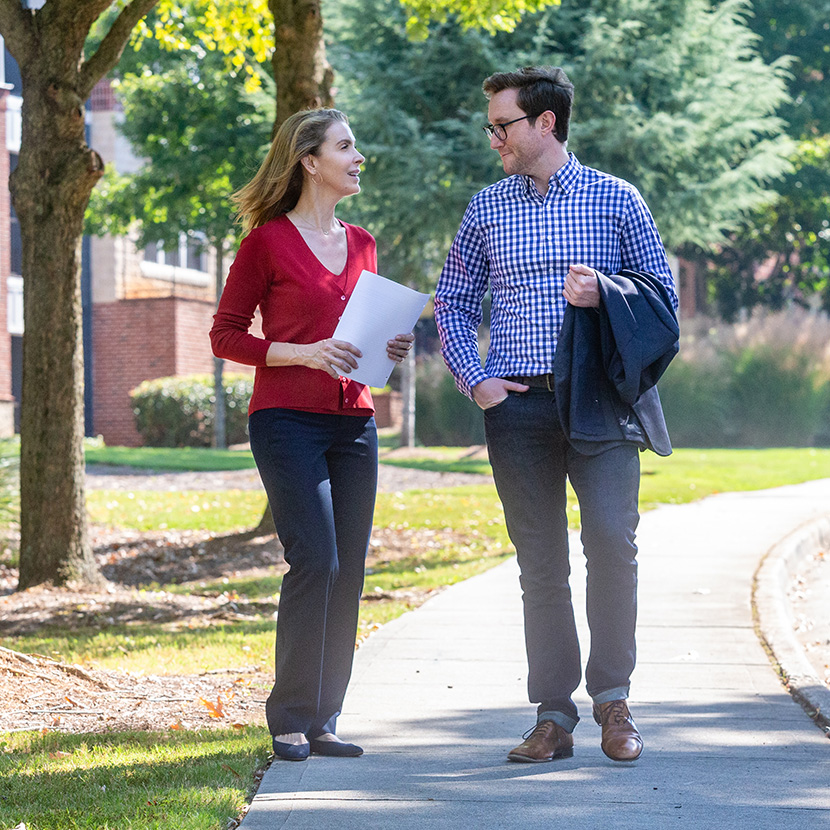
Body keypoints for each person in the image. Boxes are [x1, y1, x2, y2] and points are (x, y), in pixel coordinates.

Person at [434, 66, 678, 763]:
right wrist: (474, 377)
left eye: (502, 125)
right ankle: (553, 714)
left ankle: (614, 701)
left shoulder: (616, 200)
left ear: (545, 123)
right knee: (539, 563)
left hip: (600, 402)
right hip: (516, 406)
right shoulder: (486, 208)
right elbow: (452, 299)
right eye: (491, 127)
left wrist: (604, 292)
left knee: (611, 547)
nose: (494, 139)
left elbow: (665, 303)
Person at [210, 108, 414, 761]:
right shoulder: (265, 243)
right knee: (315, 560)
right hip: (285, 420)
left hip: (354, 420)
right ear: (309, 160)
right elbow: (226, 336)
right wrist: (303, 353)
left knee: (348, 570)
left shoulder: (362, 243)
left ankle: (325, 717)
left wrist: (390, 346)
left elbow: (355, 334)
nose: (360, 158)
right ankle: (289, 715)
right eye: (347, 147)